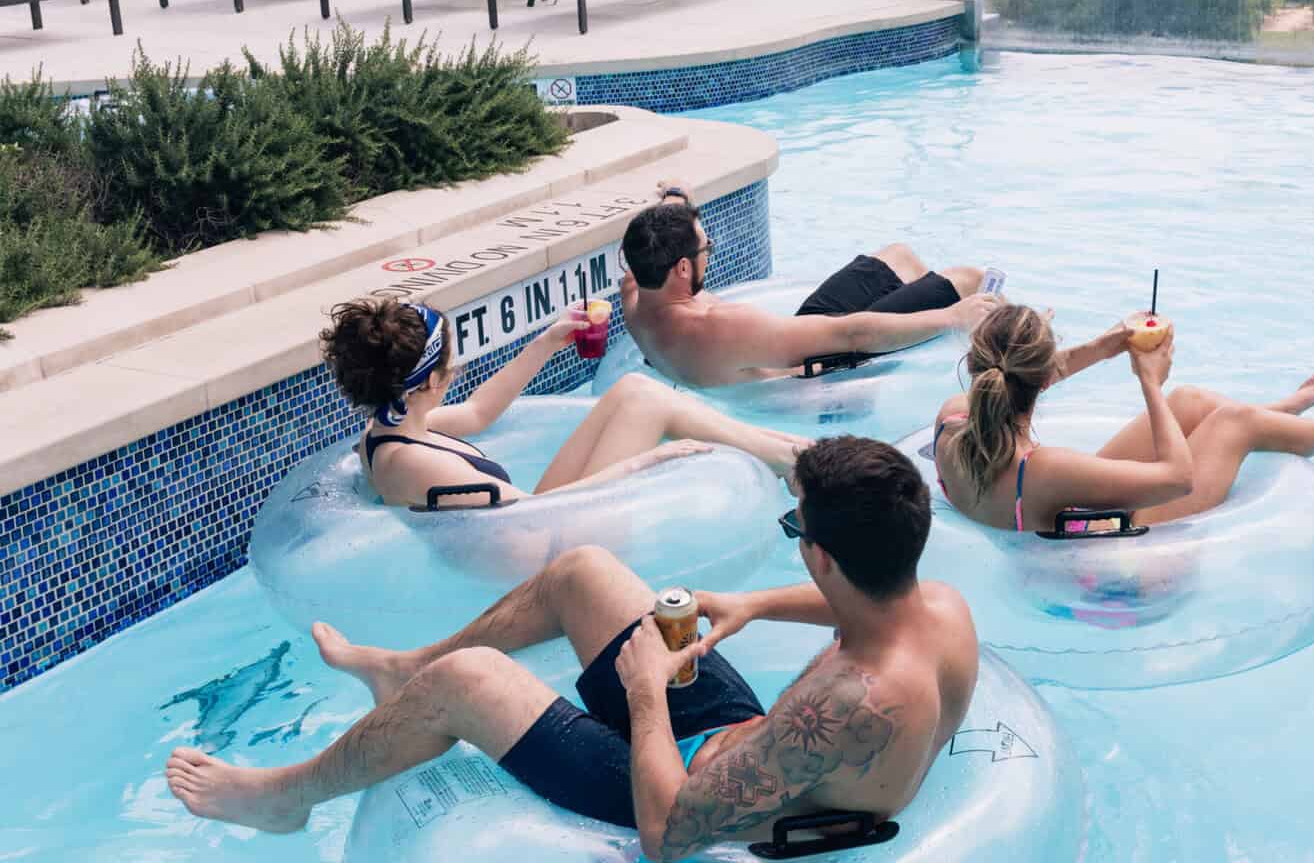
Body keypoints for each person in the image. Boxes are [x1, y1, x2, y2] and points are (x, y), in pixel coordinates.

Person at [165, 437, 979, 863]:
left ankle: (289, 794)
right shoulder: (937, 609)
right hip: (738, 744)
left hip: (677, 792)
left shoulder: (853, 702)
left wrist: (648, 690)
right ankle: (396, 670)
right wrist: (759, 600)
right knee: (586, 574)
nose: (795, 543)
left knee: (471, 682)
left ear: (828, 556)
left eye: (796, 530)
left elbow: (668, 837)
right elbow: (863, 610)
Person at [931, 304, 1314, 530]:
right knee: (1231, 423)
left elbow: (1026, 373)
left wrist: (1107, 344)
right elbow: (1178, 478)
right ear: (1041, 376)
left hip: (1039, 508)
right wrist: (1148, 382)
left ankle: (1283, 414)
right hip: (1119, 572)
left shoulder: (951, 421)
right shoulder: (1043, 468)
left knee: (1190, 402)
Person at [320, 297, 810, 506]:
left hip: (543, 528)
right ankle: (792, 459)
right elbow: (535, 513)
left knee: (636, 391)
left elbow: (478, 413)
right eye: (449, 363)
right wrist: (649, 459)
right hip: (547, 557)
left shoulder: (394, 425)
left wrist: (547, 341)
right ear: (423, 383)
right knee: (647, 407)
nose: (458, 370)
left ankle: (787, 453)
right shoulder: (411, 464)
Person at [619, 182, 1001, 387]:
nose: (710, 252)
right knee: (969, 280)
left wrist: (676, 199)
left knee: (900, 256)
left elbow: (650, 236)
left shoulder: (636, 297)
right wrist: (951, 317)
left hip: (789, 338)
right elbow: (850, 335)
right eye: (707, 247)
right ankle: (1025, 358)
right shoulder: (722, 326)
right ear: (683, 268)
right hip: (814, 376)